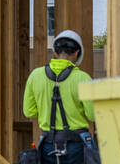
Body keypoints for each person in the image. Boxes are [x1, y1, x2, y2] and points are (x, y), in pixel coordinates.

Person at [22, 30, 97, 163]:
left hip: (47, 146)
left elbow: (29, 111)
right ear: (77, 53)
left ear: (55, 52)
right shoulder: (83, 78)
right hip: (76, 146)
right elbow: (92, 115)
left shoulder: (35, 76)